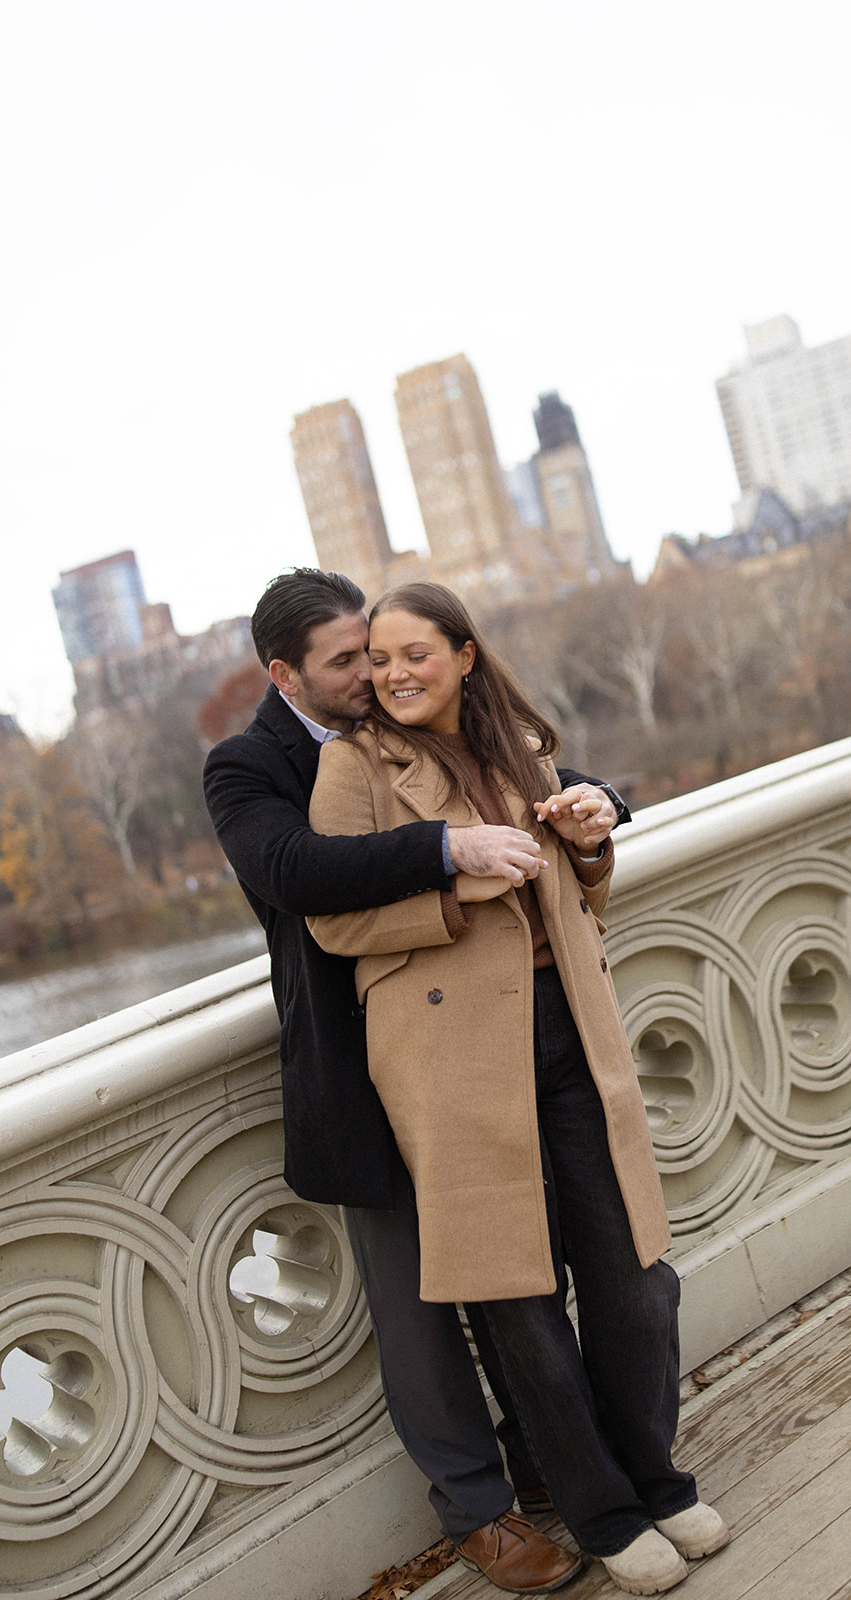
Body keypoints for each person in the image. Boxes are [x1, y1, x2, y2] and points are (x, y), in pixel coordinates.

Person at [204, 568, 626, 1594]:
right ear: (284, 675)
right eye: (347, 660)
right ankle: (477, 1513)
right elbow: (296, 872)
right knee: (416, 1303)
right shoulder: (244, 766)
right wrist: (444, 849)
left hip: (484, 1041)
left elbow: (533, 775)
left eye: (381, 650)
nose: (372, 673)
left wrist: (603, 798)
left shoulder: (418, 718)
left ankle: (553, 1468)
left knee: (532, 1263)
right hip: (356, 1065)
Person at [306, 583, 729, 1598]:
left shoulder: (518, 747)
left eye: (415, 653)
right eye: (379, 655)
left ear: (462, 655)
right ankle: (604, 1510)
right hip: (454, 1057)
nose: (393, 671)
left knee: (632, 1274)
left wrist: (587, 836)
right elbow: (333, 918)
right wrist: (453, 896)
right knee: (519, 1301)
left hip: (569, 1032)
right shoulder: (352, 766)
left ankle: (654, 1477)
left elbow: (583, 887)